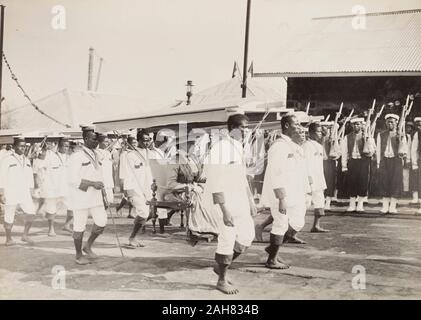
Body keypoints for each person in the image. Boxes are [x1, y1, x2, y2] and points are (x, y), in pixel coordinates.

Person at [203, 113, 255, 295]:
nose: (246, 131)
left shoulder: (238, 147)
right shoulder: (220, 148)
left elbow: (242, 178)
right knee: (227, 238)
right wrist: (224, 210)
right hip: (225, 202)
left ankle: (221, 266)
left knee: (247, 236)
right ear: (231, 129)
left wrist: (250, 201)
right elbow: (215, 182)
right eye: (242, 128)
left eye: (247, 128)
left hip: (240, 199)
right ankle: (221, 279)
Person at [261, 114, 309, 270]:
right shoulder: (278, 146)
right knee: (281, 223)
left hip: (295, 192)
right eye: (296, 124)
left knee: (298, 222)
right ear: (287, 126)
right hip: (281, 194)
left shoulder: (294, 145)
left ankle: (273, 248)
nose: (299, 126)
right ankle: (271, 259)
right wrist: (281, 198)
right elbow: (276, 173)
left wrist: (306, 191)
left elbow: (300, 170)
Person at [68, 126, 107, 265]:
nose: (97, 141)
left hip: (96, 196)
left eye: (97, 139)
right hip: (81, 197)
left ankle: (88, 246)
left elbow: (100, 176)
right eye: (94, 138)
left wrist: (103, 193)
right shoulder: (76, 156)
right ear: (85, 139)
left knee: (102, 222)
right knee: (79, 226)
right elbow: (72, 179)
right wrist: (92, 183)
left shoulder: (97, 154)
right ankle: (78, 255)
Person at [0, 137, 36, 246]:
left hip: (24, 192)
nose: (23, 148)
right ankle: (8, 239)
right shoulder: (7, 159)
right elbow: (1, 177)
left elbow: (30, 177)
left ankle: (25, 235)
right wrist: (2, 193)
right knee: (9, 215)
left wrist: (31, 190)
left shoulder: (27, 159)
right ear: (14, 147)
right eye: (20, 146)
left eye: (24, 146)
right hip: (11, 191)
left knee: (31, 213)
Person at [124, 130, 154, 247]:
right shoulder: (131, 155)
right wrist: (129, 193)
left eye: (149, 140)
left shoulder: (152, 154)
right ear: (139, 140)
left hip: (149, 189)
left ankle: (134, 235)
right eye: (144, 140)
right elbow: (127, 174)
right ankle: (132, 238)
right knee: (143, 212)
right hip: (136, 189)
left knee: (150, 214)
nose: (147, 143)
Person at [341, 118, 371, 212]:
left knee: (363, 182)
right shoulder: (347, 137)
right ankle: (352, 204)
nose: (356, 126)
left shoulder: (367, 136)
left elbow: (372, 150)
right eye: (354, 124)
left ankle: (360, 204)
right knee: (352, 183)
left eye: (358, 124)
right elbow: (344, 152)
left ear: (362, 125)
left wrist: (368, 143)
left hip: (363, 162)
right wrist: (344, 165)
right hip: (352, 162)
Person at [303, 122, 329, 232]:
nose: (320, 134)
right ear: (311, 133)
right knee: (304, 203)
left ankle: (316, 225)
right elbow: (306, 164)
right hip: (309, 179)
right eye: (318, 132)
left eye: (321, 132)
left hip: (319, 178)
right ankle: (290, 226)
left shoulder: (319, 146)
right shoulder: (306, 145)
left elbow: (325, 158)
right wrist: (308, 179)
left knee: (319, 202)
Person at [376, 114, 404, 214]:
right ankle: (385, 206)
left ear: (396, 123)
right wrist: (378, 163)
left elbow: (403, 149)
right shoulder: (381, 135)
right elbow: (378, 150)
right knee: (384, 182)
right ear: (386, 123)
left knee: (395, 183)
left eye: (392, 122)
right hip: (384, 161)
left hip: (396, 161)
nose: (390, 124)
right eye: (388, 122)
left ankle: (392, 206)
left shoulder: (400, 135)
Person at [97, 134, 115, 206]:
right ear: (100, 142)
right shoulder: (96, 152)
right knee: (101, 202)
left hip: (108, 180)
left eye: (108, 142)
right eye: (105, 141)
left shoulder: (108, 153)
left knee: (108, 201)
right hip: (101, 180)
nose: (107, 143)